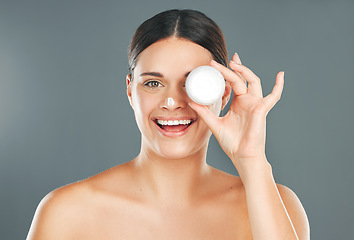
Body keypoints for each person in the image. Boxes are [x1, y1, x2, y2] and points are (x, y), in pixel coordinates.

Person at [27, 9, 310, 239]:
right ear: (130, 91)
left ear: (223, 93)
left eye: (192, 84)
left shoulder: (276, 205)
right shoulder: (67, 212)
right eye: (153, 83)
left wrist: (252, 160)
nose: (172, 102)